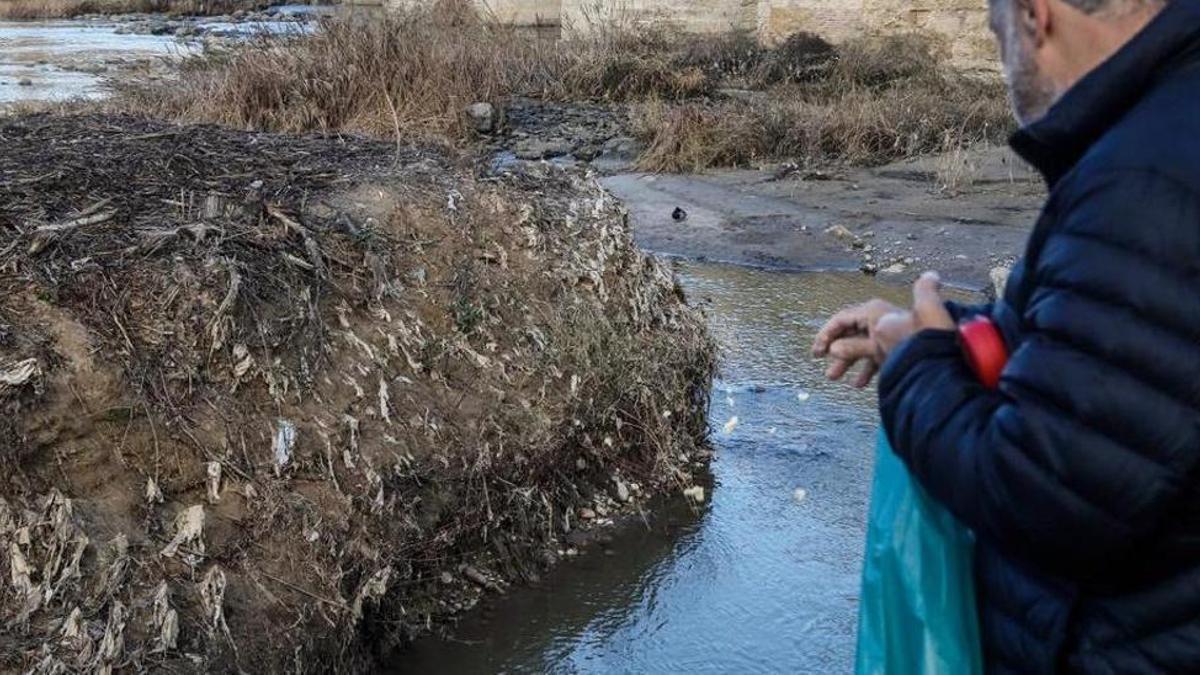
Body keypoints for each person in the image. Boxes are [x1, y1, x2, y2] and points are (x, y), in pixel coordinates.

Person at [813, 0, 1200, 671]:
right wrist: (943, 336)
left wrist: (919, 367)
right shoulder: (1168, 124)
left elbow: (1045, 497)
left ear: (1034, 16)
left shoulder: (1147, 183)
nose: (1003, 66)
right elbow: (1120, 362)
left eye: (997, 38)